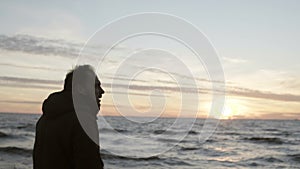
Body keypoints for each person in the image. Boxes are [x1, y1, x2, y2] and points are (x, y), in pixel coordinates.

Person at [33, 65, 105, 169]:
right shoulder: (82, 119)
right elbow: (89, 164)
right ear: (80, 89)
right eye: (96, 86)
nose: (102, 91)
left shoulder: (46, 118)